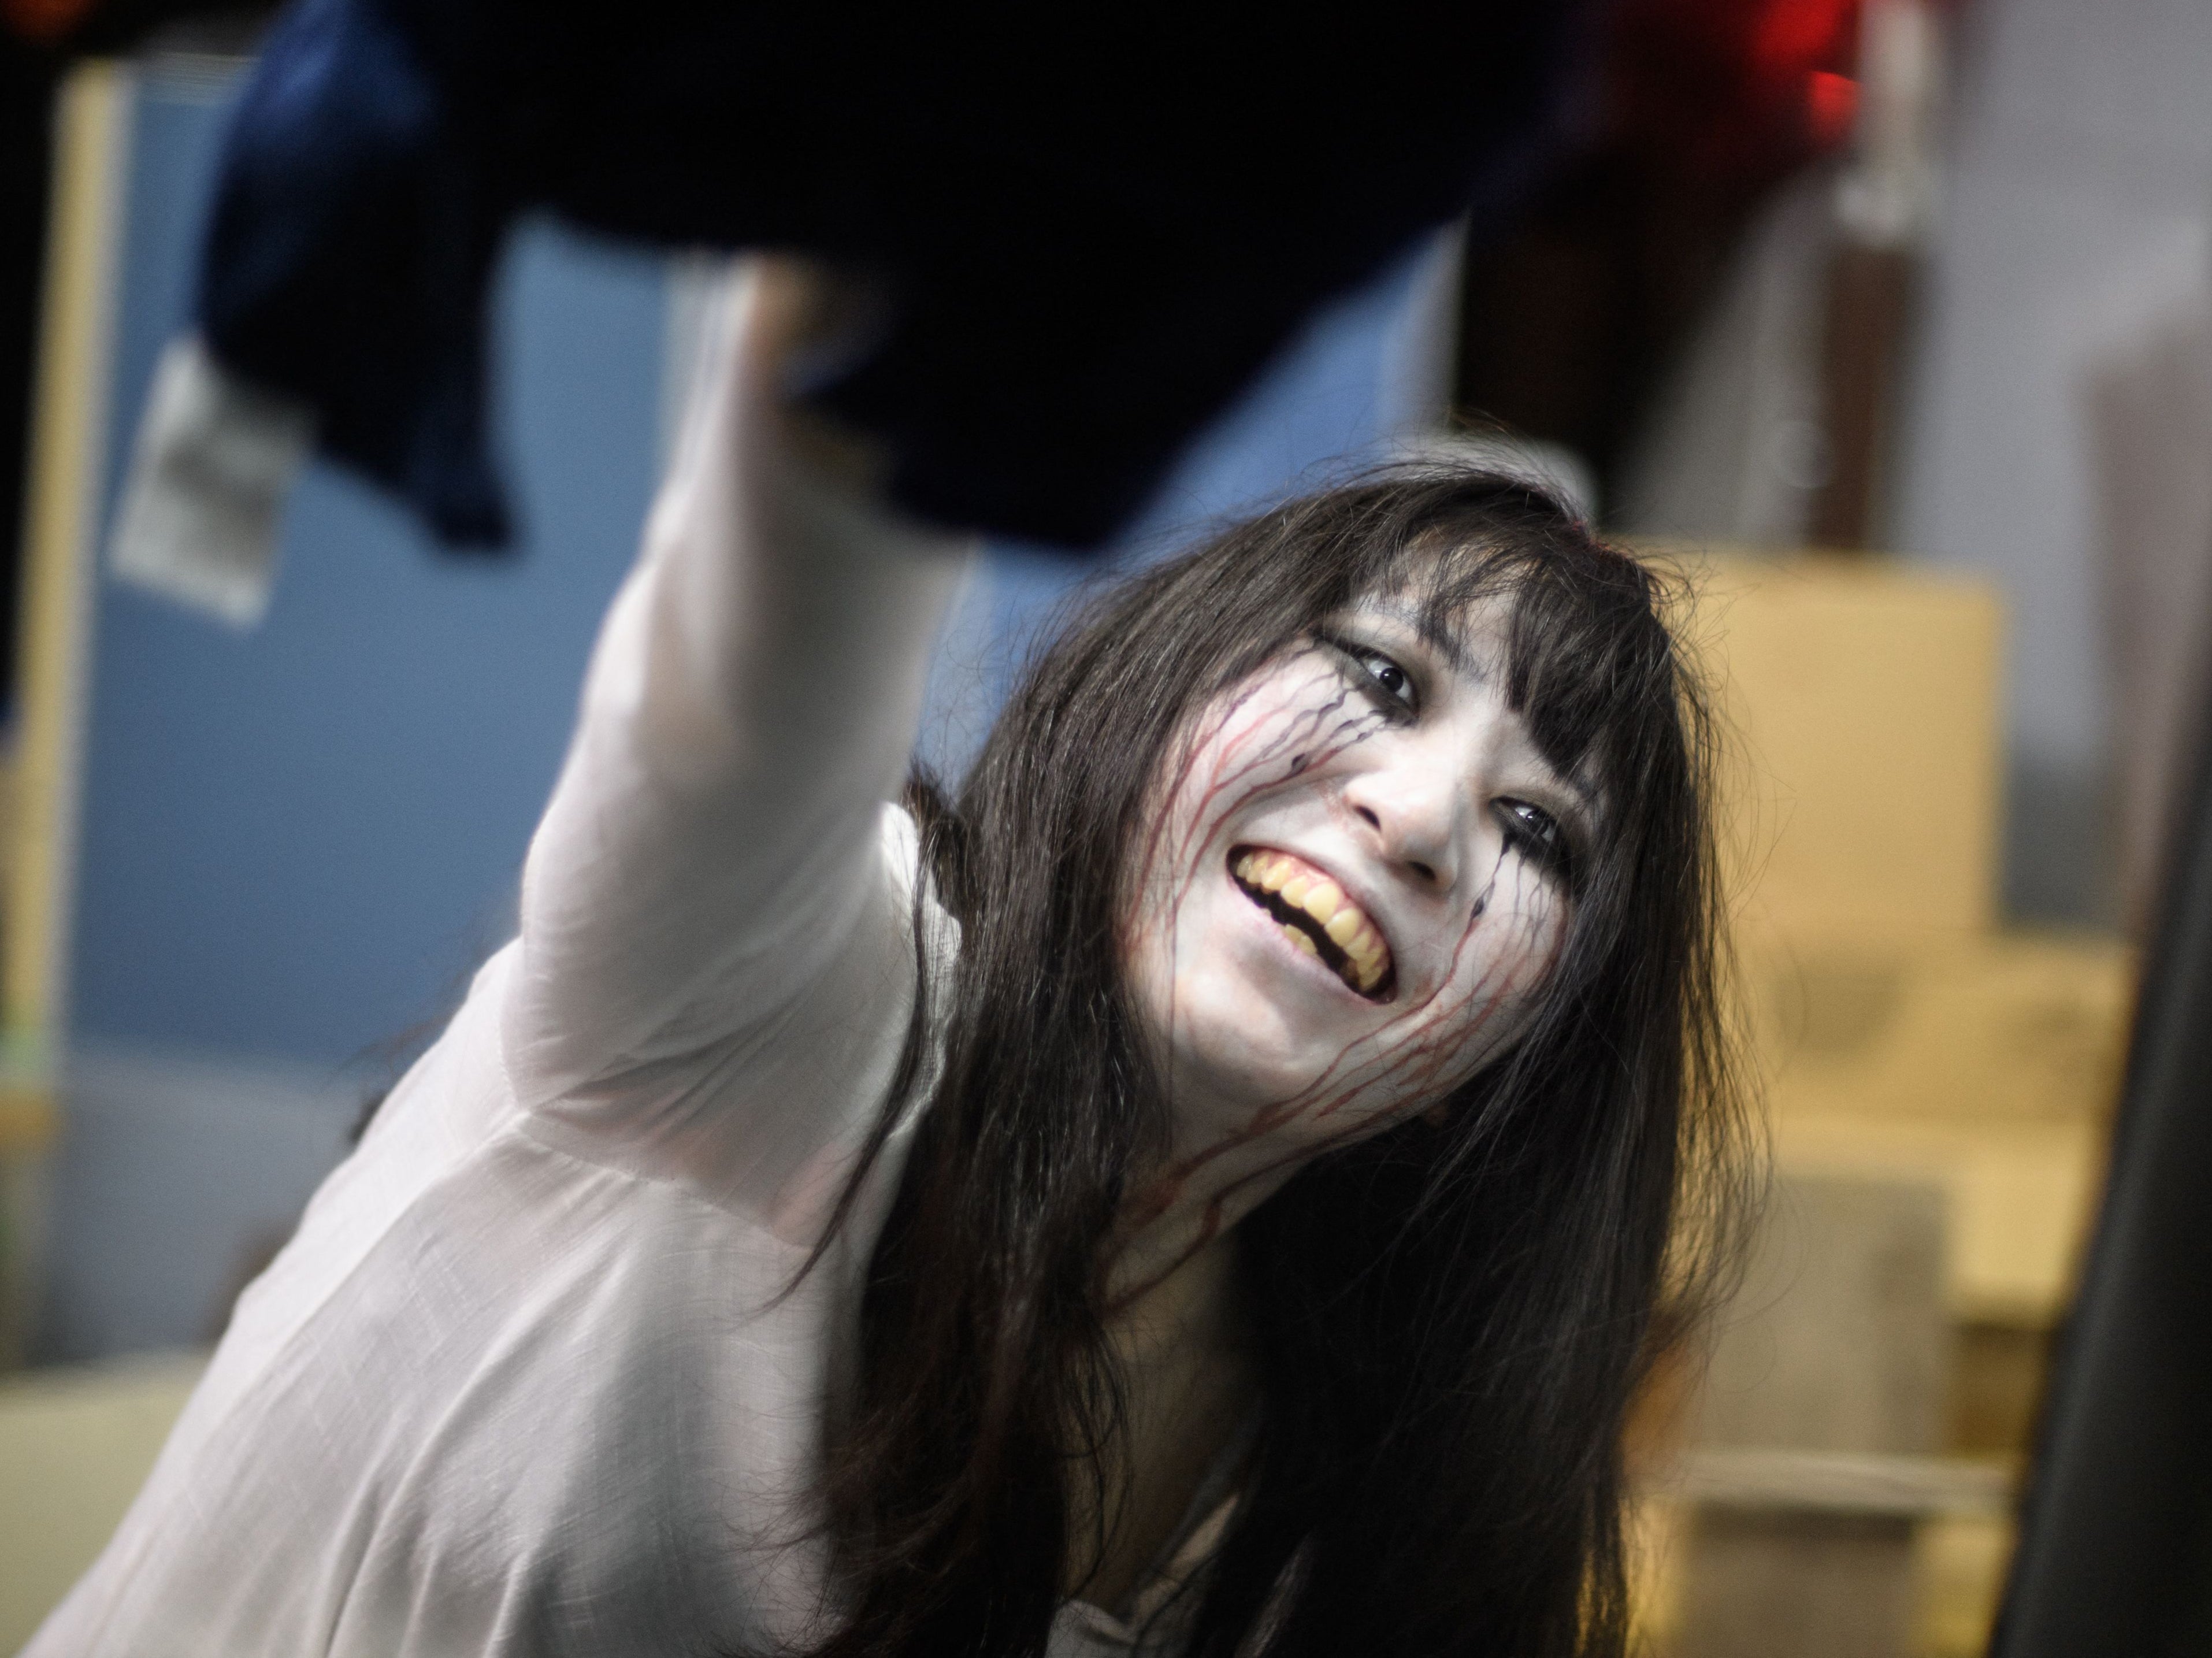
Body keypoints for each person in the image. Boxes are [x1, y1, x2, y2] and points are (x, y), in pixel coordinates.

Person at [27, 261, 1745, 1658]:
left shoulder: (1328, 1482)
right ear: (1159, 690)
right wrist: (916, 240)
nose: (1428, 816)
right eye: (1380, 680)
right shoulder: (774, 993)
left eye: (1540, 838)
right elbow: (769, 628)